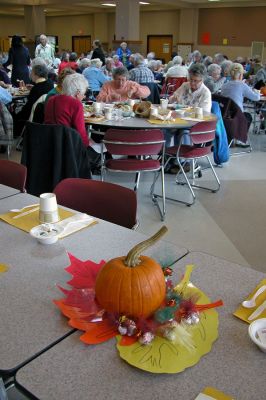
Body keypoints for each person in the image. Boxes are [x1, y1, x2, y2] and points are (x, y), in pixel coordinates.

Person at [45, 73, 100, 172]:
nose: (84, 96)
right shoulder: (76, 104)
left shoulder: (51, 100)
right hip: (68, 146)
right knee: (96, 148)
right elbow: (81, 133)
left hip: (49, 143)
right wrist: (88, 143)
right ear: (78, 92)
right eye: (84, 93)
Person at [221, 62, 260, 145]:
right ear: (240, 75)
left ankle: (232, 137)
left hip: (225, 114)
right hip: (237, 114)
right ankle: (239, 140)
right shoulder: (242, 85)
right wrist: (257, 92)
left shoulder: (224, 85)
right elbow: (256, 98)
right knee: (248, 116)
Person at [13, 64, 54, 136]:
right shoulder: (50, 83)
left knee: (13, 114)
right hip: (44, 117)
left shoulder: (36, 89)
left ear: (36, 74)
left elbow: (27, 109)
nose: (30, 74)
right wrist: (34, 87)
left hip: (33, 118)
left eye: (31, 72)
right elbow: (42, 90)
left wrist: (16, 114)